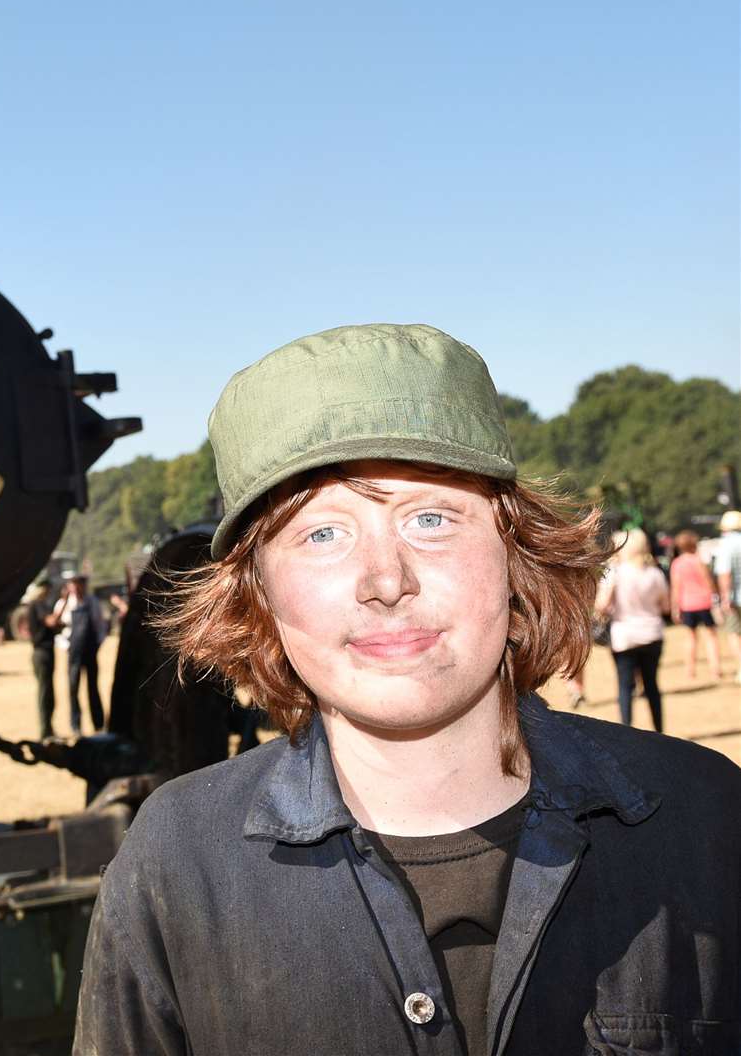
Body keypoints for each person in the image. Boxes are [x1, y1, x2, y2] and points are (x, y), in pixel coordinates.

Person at [74, 324, 738, 1055]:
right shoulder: (176, 865)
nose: (386, 579)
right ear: (259, 594)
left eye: (431, 519)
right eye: (321, 534)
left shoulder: (707, 821)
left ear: (516, 556)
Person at [595, 528, 669, 732]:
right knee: (652, 685)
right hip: (652, 634)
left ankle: (626, 730)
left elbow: (601, 605)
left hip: (625, 635)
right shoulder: (654, 572)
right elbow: (666, 607)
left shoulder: (615, 573)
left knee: (625, 686)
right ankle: (659, 731)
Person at [49, 573, 106, 737]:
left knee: (93, 688)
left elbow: (100, 626)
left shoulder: (93, 602)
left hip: (90, 651)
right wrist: (66, 646)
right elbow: (58, 631)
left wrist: (97, 645)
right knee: (73, 689)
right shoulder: (62, 605)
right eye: (73, 584)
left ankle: (98, 725)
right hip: (73, 652)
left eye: (79, 583)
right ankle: (76, 726)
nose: (77, 587)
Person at [668, 528, 724, 682]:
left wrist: (675, 608)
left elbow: (676, 588)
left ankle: (690, 670)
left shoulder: (677, 564)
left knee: (691, 638)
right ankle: (715, 669)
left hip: (687, 605)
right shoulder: (699, 561)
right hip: (704, 603)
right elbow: (709, 582)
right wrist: (715, 598)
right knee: (711, 636)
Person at [21, 578, 61, 738]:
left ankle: (48, 729)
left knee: (48, 693)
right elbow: (51, 621)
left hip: (44, 652)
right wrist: (64, 602)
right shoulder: (37, 605)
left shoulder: (37, 605)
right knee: (45, 694)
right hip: (42, 653)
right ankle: (45, 732)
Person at [717, 509, 741, 684]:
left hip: (735, 597)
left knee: (734, 633)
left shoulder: (725, 545)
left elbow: (725, 574)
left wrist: (725, 597)